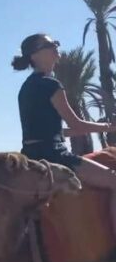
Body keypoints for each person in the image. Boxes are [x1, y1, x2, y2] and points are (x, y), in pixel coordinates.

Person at [14, 33, 116, 232]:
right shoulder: (51, 84)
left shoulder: (26, 88)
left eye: (56, 43)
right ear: (34, 56)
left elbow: (54, 130)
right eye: (49, 44)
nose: (55, 46)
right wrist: (108, 127)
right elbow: (77, 124)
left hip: (30, 156)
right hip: (55, 157)